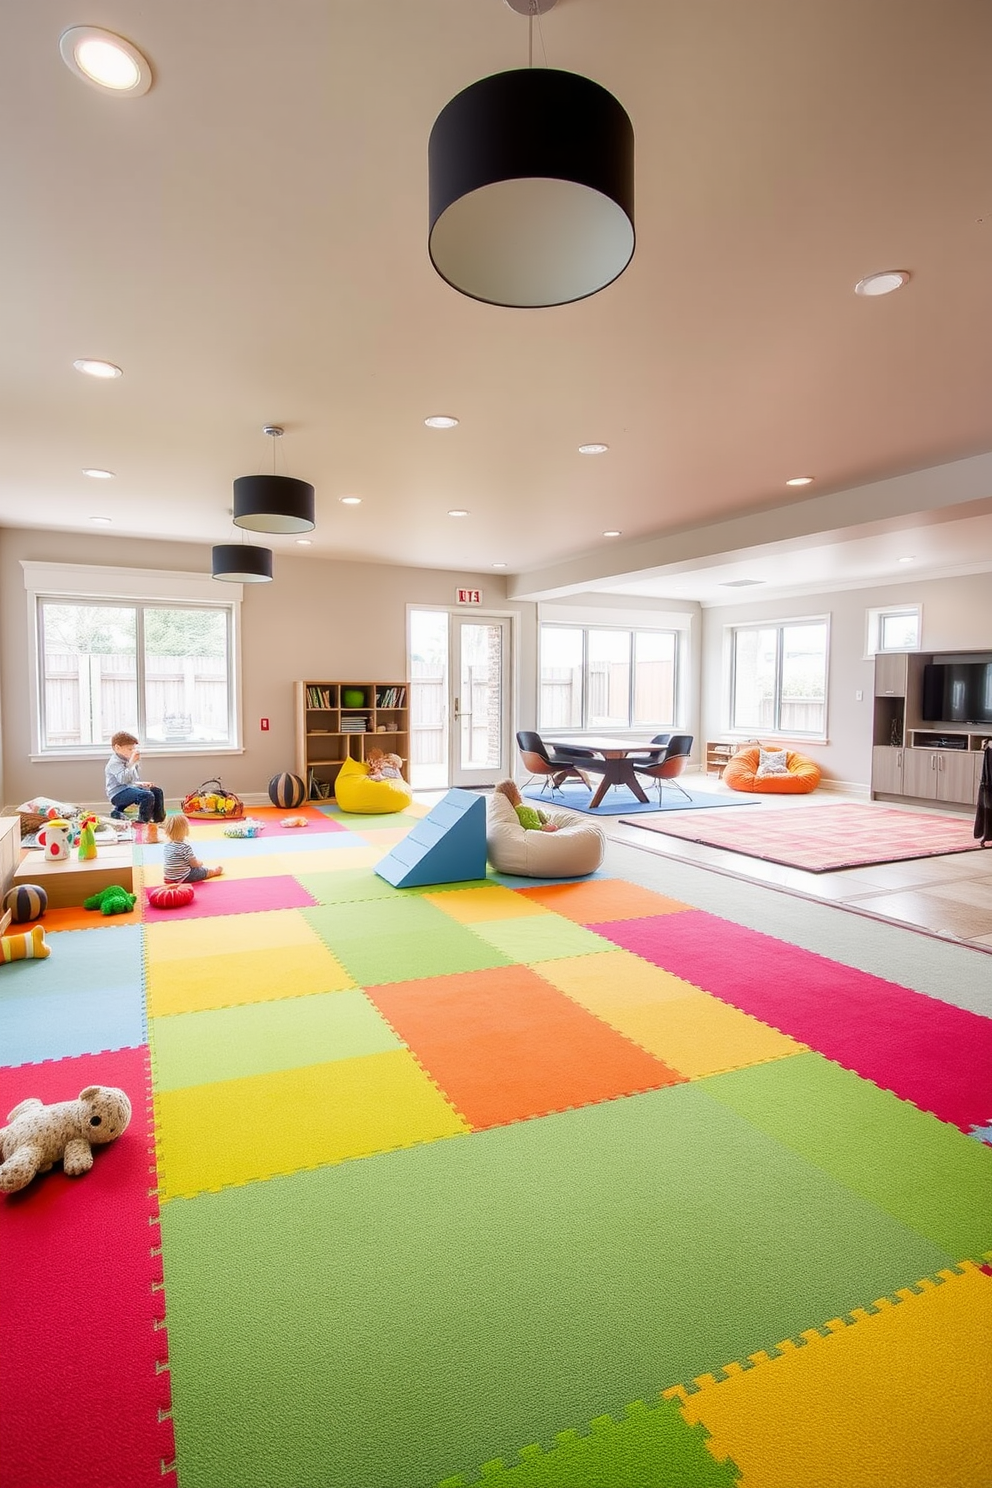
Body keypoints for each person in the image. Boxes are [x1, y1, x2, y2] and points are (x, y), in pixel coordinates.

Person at [105, 731, 166, 838]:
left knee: (156, 791)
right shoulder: (114, 763)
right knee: (147, 796)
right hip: (117, 794)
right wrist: (132, 763)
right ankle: (143, 823)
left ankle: (158, 820)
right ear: (117, 748)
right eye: (129, 749)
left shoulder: (126, 759)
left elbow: (131, 780)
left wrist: (140, 784)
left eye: (133, 749)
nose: (132, 751)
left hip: (128, 788)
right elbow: (123, 780)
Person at [161, 814, 223, 883]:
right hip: (184, 876)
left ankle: (173, 879)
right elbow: (194, 864)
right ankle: (214, 871)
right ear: (185, 830)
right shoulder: (184, 847)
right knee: (202, 871)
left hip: (169, 876)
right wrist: (200, 863)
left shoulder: (167, 845)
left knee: (188, 867)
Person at [494, 778, 559, 832]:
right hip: (539, 827)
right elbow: (529, 824)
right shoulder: (520, 809)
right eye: (516, 791)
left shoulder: (518, 808)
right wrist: (542, 828)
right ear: (511, 795)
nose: (519, 794)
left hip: (541, 822)